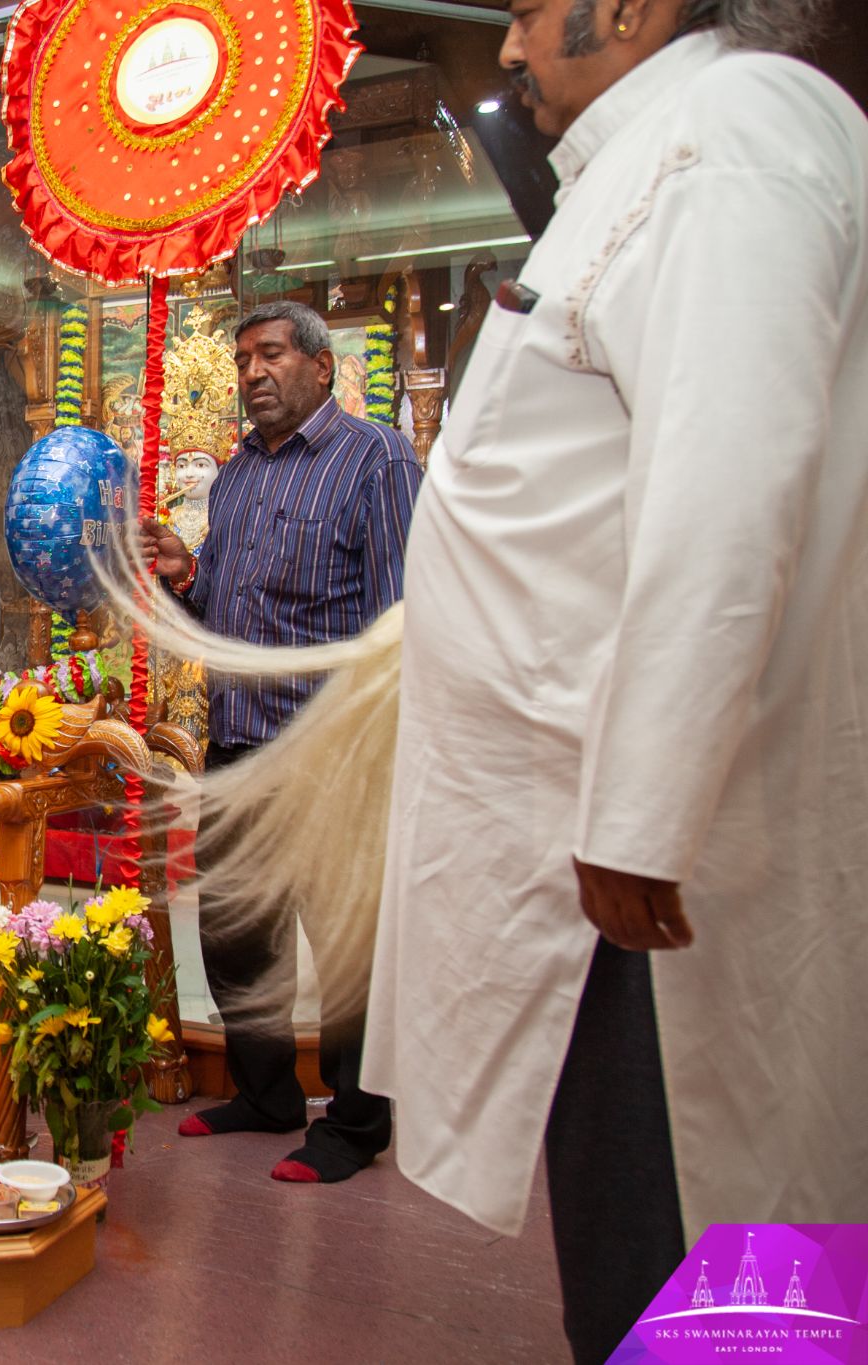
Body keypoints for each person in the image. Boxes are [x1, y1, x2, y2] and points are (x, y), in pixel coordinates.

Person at [360, 1, 866, 1357]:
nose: (512, 50)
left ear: (634, 8)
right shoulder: (652, 161)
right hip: (592, 846)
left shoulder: (734, 130)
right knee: (627, 1243)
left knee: (686, 1235)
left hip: (649, 876)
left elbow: (729, 482)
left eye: (527, 11)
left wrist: (641, 817)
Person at [142, 300, 421, 1185]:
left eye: (270, 356)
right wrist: (186, 573)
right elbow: (219, 608)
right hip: (240, 743)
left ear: (322, 367)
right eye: (242, 361)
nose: (252, 373)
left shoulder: (375, 460)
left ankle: (356, 1120)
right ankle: (264, 1094)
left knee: (342, 949)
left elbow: (401, 619)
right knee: (236, 930)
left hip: (331, 751)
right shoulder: (236, 477)